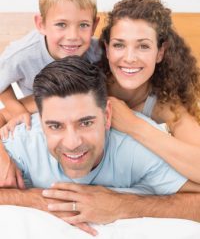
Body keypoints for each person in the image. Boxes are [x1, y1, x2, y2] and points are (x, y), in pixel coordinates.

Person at [1, 56, 200, 236]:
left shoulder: (137, 147)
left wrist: (123, 205)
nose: (72, 143)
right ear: (41, 122)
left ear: (106, 116)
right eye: (55, 126)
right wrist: (38, 200)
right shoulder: (23, 140)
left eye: (86, 123)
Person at [0, 0, 101, 187]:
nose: (73, 36)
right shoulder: (22, 54)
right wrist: (13, 105)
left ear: (95, 24)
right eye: (61, 25)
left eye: (83, 25)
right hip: (40, 121)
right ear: (41, 24)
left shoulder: (98, 53)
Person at [98, 0, 200, 183]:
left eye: (143, 46)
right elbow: (35, 104)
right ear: (107, 48)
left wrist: (133, 125)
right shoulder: (91, 84)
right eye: (119, 45)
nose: (129, 58)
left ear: (160, 52)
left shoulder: (163, 103)